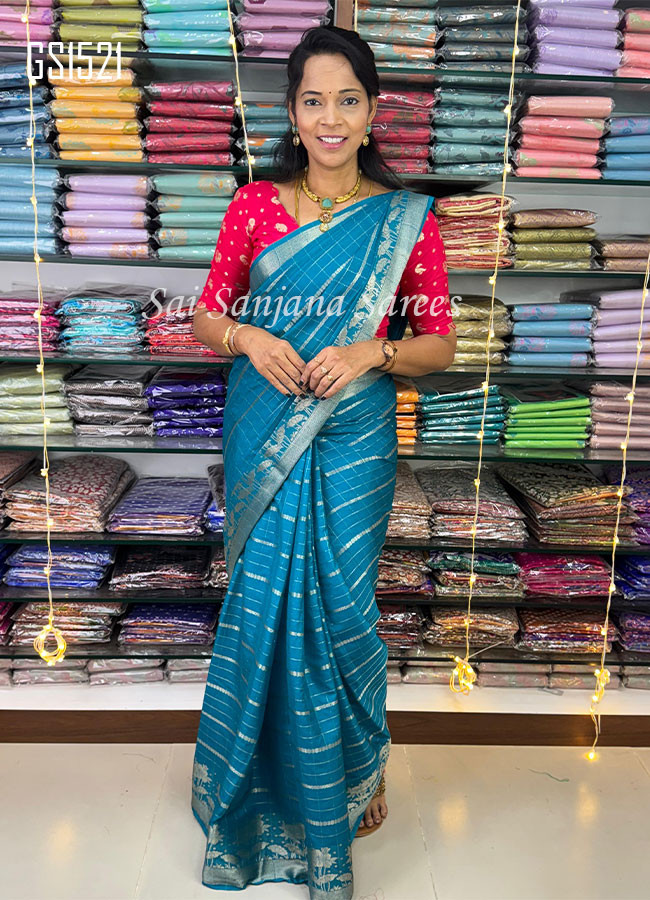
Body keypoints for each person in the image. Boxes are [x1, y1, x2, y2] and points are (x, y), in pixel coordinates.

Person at [191, 24, 456, 900]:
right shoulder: (253, 206)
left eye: (348, 100)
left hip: (354, 437)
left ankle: (352, 775)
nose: (331, 118)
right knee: (263, 606)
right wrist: (247, 335)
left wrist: (373, 351)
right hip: (264, 424)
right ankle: (260, 783)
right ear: (294, 112)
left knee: (343, 607)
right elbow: (206, 315)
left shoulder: (407, 218)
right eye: (314, 101)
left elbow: (439, 345)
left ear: (374, 111)